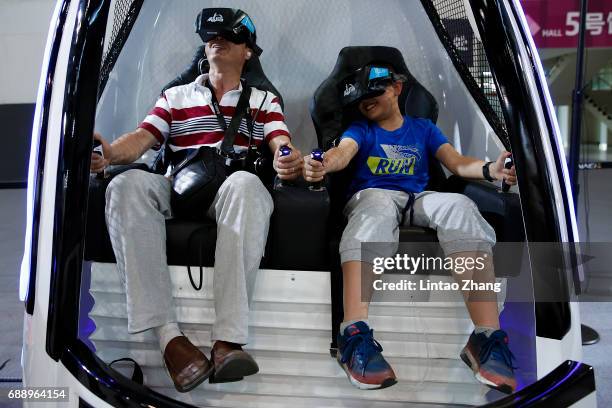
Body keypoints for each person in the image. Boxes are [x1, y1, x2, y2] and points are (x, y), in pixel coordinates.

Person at [90, 8, 303, 393]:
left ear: (248, 52)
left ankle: (228, 342)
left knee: (246, 184)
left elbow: (281, 144)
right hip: (175, 185)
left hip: (228, 190)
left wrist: (287, 160)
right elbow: (142, 138)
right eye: (211, 36)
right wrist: (109, 155)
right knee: (124, 186)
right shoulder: (175, 96)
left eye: (228, 36)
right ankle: (169, 339)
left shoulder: (264, 100)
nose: (216, 40)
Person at [303, 64, 518, 393]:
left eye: (375, 92)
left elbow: (457, 163)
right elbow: (341, 153)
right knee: (373, 213)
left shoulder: (423, 128)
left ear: (396, 89)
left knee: (461, 208)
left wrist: (492, 170)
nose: (367, 101)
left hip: (419, 197)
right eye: (361, 99)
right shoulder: (361, 130)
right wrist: (322, 163)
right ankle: (354, 335)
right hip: (375, 195)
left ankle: (485, 338)